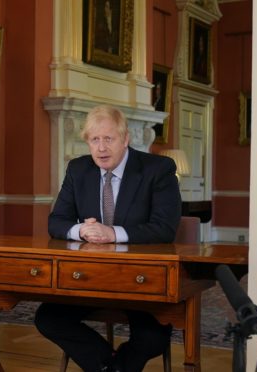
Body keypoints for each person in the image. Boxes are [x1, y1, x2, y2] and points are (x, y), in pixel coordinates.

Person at [34, 105, 181, 372]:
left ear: (125, 139)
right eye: (95, 139)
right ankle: (110, 366)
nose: (101, 148)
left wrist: (112, 233)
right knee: (48, 319)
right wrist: (81, 230)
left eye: (108, 139)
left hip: (142, 281)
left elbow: (164, 229)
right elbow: (56, 222)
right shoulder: (78, 170)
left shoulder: (158, 169)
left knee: (153, 338)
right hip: (91, 278)